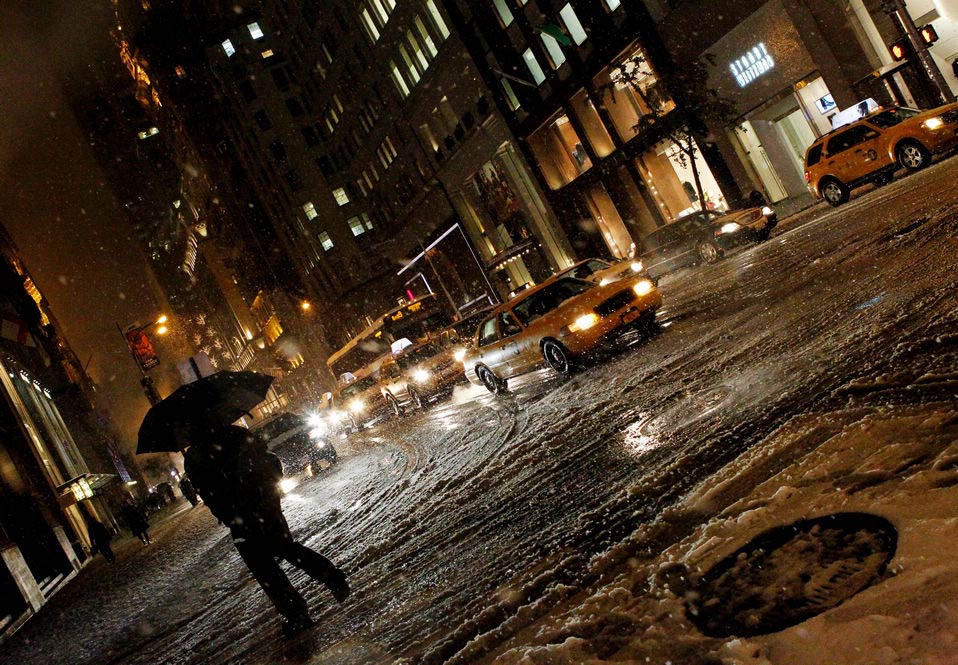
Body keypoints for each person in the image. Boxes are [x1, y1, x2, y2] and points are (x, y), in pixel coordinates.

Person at [182, 423, 350, 636]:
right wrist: (267, 491)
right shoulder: (237, 434)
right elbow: (268, 459)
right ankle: (333, 578)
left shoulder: (196, 458)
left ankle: (297, 614)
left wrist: (226, 510)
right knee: (288, 549)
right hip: (265, 505)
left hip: (240, 518)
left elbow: (209, 494)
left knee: (266, 571)